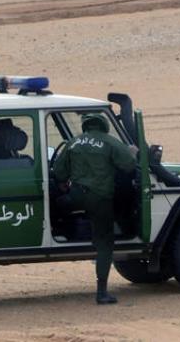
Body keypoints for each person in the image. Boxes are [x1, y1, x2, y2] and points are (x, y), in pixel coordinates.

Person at [53, 113, 137, 304]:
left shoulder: (73, 143)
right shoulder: (111, 142)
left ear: (85, 126)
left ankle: (63, 234)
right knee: (105, 243)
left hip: (76, 196)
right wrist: (131, 152)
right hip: (99, 199)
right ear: (104, 125)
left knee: (58, 206)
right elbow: (129, 166)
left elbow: (59, 172)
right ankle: (102, 292)